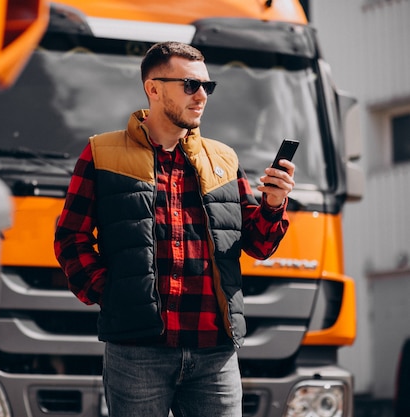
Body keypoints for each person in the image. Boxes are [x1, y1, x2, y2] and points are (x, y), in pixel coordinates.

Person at [53, 41, 294, 417]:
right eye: (190, 85)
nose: (201, 96)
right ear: (153, 89)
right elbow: (71, 238)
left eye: (207, 87)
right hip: (137, 352)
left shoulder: (224, 159)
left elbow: (259, 245)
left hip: (215, 352)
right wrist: (112, 293)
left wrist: (274, 204)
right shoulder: (101, 153)